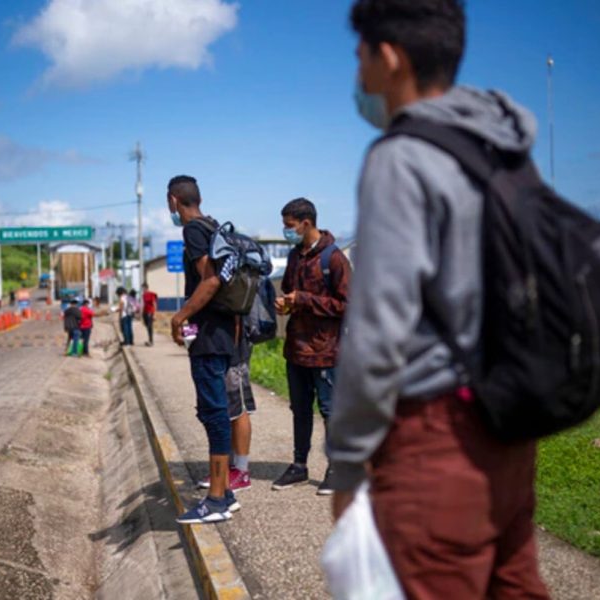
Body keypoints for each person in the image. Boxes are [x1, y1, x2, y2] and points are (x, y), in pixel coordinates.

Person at [327, 2, 550, 598]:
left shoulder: (402, 158)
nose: (358, 74)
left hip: (434, 439)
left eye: (360, 57)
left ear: (390, 57)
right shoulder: (500, 145)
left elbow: (376, 332)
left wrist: (348, 465)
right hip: (507, 430)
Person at [167, 174, 239, 523]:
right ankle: (224, 491)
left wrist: (180, 316)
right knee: (213, 410)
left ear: (173, 200)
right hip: (220, 333)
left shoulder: (194, 230)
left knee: (214, 413)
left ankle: (216, 501)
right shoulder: (212, 226)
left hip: (211, 337)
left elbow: (209, 280)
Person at [272, 198, 351, 495]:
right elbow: (291, 293)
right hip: (297, 348)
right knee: (300, 409)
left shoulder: (334, 259)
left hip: (327, 351)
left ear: (307, 223)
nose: (285, 231)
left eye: (289, 226)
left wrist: (303, 300)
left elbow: (347, 305)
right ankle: (299, 466)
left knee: (330, 411)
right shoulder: (294, 257)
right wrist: (285, 304)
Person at [198, 329, 256, 492]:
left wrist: (178, 321)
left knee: (238, 407)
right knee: (222, 408)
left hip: (230, 349)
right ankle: (226, 469)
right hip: (210, 347)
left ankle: (242, 470)